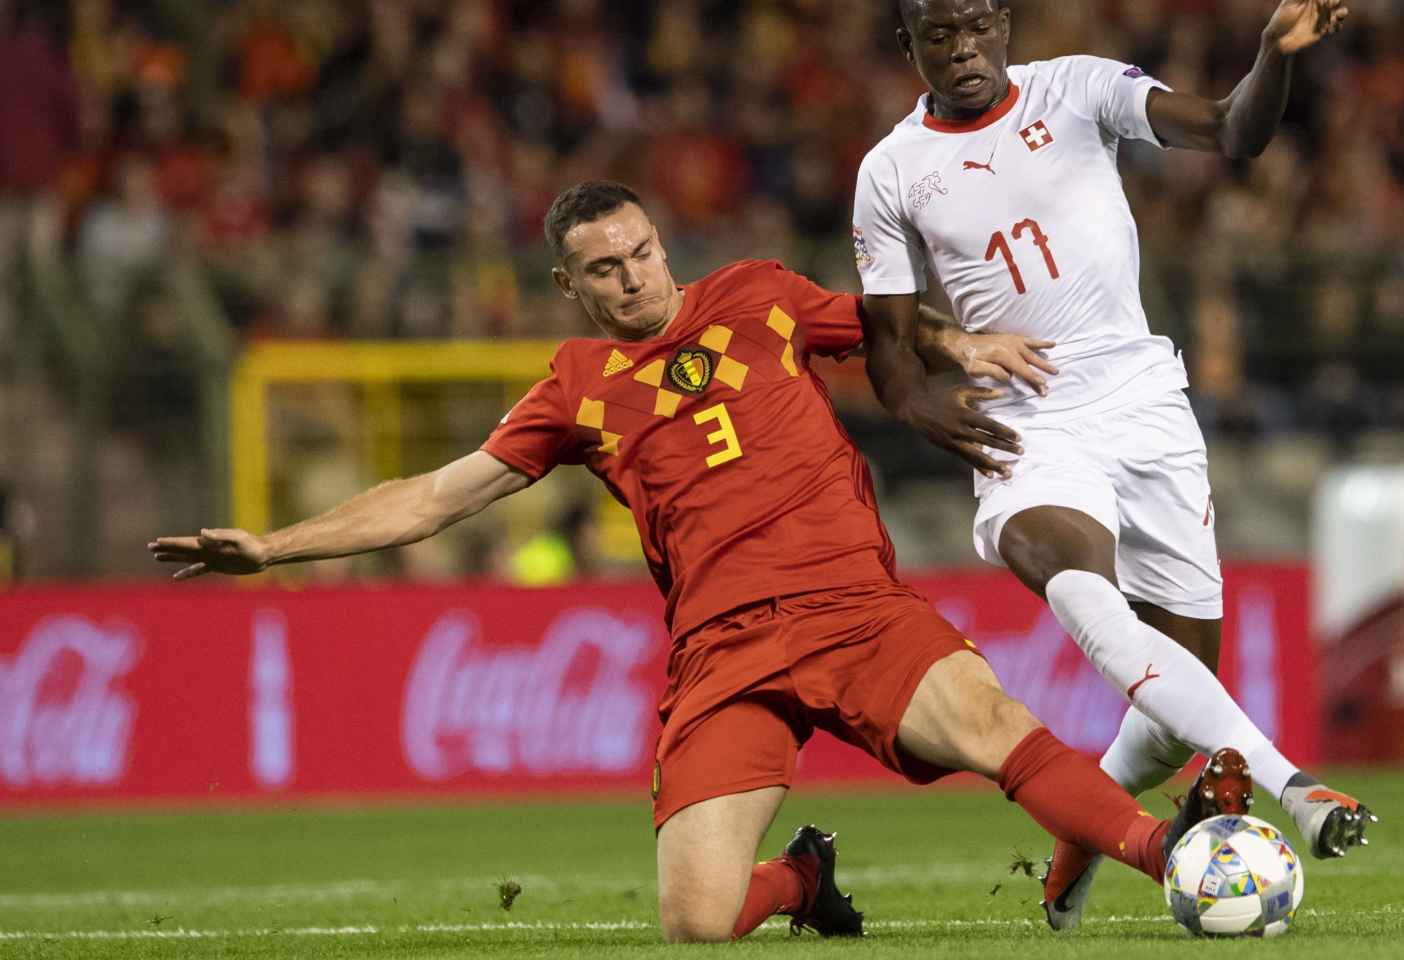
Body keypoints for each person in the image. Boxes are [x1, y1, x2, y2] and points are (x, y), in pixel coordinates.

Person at [150, 181, 1249, 943]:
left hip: (848, 605)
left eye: (639, 254)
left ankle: (1174, 855)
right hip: (721, 651)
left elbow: (885, 326)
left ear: (660, 245)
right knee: (694, 921)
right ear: (565, 286)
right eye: (602, 270)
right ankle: (800, 881)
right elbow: (436, 496)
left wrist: (963, 345)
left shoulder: (758, 299)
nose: (630, 279)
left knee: (993, 729)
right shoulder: (574, 387)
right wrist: (273, 547)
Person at [853, 0, 1377, 930]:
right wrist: (924, 405)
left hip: (1143, 404)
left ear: (1004, 26)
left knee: (1183, 704)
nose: (963, 50)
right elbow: (890, 351)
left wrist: (1271, 56)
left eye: (977, 27)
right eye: (940, 36)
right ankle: (1294, 788)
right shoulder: (891, 171)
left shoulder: (1081, 88)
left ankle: (1075, 841)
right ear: (911, 47)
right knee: (1080, 586)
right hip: (1027, 423)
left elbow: (1230, 130)